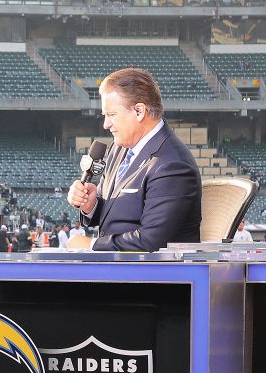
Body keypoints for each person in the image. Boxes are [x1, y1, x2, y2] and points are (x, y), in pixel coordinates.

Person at [66, 68, 200, 251]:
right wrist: (92, 205)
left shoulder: (172, 166)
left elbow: (151, 242)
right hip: (115, 269)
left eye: (111, 115)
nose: (106, 124)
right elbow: (114, 215)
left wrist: (92, 245)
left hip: (150, 276)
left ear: (139, 111)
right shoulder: (119, 149)